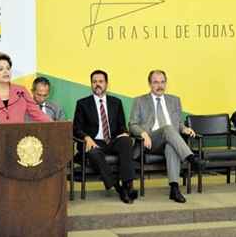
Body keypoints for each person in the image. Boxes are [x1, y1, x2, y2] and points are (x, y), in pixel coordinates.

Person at [129, 70, 198, 203]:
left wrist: (185, 129)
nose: (159, 85)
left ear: (166, 83)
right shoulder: (140, 101)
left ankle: (174, 189)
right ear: (150, 84)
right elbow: (132, 124)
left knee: (171, 147)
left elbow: (178, 123)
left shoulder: (174, 100)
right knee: (167, 128)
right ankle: (192, 159)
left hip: (170, 140)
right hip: (150, 141)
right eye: (155, 82)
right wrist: (143, 133)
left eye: (162, 82)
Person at [73, 70, 137, 204]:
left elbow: (121, 125)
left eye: (100, 81)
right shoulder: (83, 103)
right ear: (91, 84)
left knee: (126, 141)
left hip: (112, 140)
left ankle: (127, 183)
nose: (97, 84)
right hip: (94, 141)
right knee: (94, 152)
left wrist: (124, 132)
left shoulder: (116, 102)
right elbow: (76, 128)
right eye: (94, 82)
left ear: (106, 84)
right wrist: (86, 137)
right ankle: (119, 188)